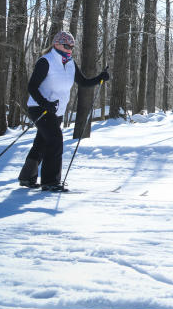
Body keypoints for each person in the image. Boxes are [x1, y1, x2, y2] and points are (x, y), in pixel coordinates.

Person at [18, 31, 109, 192]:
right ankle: (50, 181)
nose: (70, 49)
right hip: (40, 109)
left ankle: (27, 177)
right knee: (55, 140)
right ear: (56, 44)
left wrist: (100, 78)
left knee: (42, 142)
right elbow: (32, 86)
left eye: (72, 47)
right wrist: (45, 103)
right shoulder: (46, 61)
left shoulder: (70, 63)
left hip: (57, 111)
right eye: (67, 45)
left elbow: (83, 82)